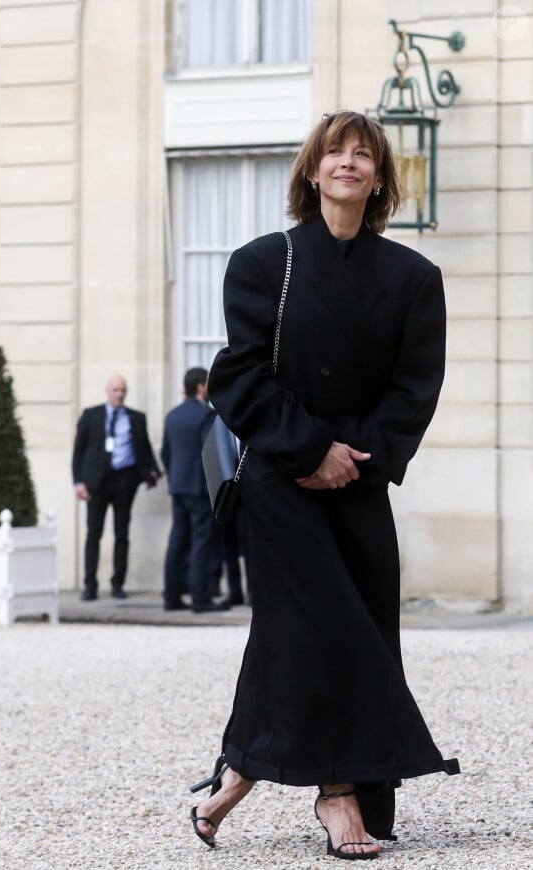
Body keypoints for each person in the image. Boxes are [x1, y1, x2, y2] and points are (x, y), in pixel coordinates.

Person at [189, 111, 460, 860]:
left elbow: (415, 390)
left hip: (362, 480)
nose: (349, 162)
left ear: (379, 179)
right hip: (280, 480)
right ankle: (338, 798)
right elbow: (238, 376)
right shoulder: (258, 262)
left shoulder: (414, 278)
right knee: (322, 626)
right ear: (313, 172)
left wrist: (353, 457)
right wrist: (309, 449)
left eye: (364, 155)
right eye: (335, 151)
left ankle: (241, 772)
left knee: (355, 629)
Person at [72, 374, 161, 601]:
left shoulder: (136, 418)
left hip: (124, 481)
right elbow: (78, 451)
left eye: (123, 390)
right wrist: (78, 482)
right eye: (116, 390)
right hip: (96, 484)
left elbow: (145, 449)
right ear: (107, 391)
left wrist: (151, 473)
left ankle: (118, 584)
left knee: (122, 534)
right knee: (94, 534)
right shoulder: (92, 416)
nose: (120, 394)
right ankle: (90, 584)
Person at [161, 367, 231, 613]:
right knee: (202, 542)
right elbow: (208, 453)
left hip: (178, 486)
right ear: (201, 387)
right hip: (199, 489)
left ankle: (171, 597)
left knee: (177, 541)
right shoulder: (206, 416)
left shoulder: (172, 415)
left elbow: (165, 454)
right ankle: (200, 598)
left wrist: (174, 478)